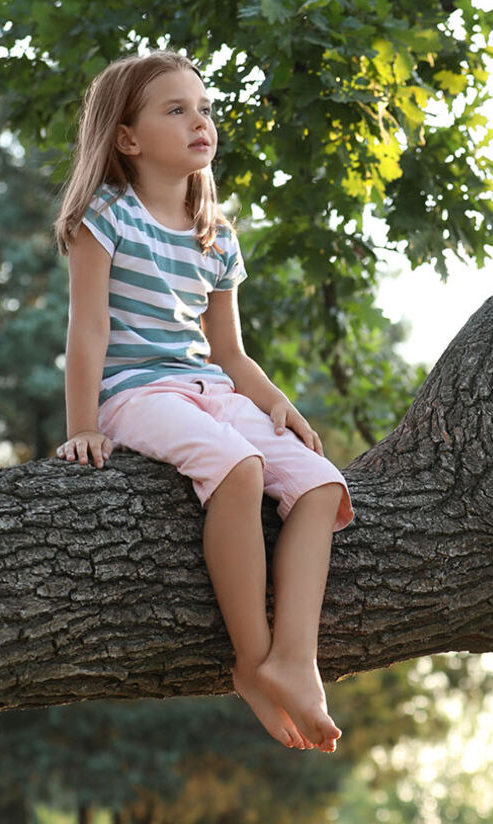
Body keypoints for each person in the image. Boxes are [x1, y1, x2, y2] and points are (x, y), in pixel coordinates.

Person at [52, 50, 354, 753]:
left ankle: (295, 658)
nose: (200, 121)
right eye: (175, 109)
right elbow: (87, 330)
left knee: (317, 484)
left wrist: (282, 406)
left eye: (205, 108)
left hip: (210, 388)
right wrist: (81, 427)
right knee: (237, 469)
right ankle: (251, 659)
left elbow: (229, 353)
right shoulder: (107, 216)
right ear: (128, 138)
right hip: (137, 395)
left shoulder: (217, 237)